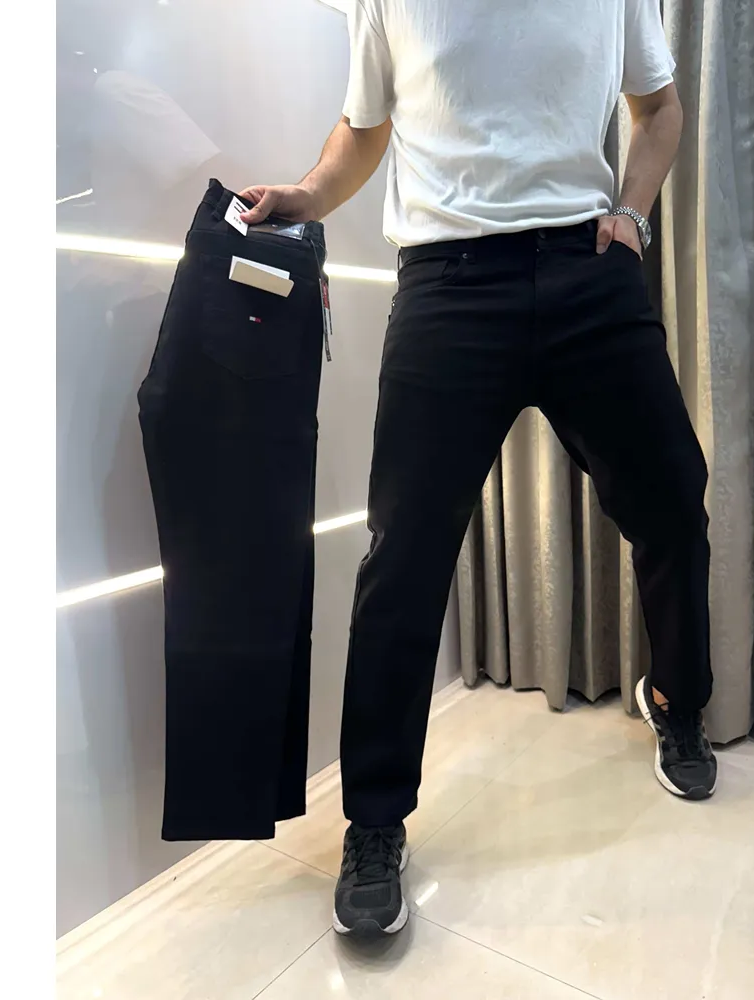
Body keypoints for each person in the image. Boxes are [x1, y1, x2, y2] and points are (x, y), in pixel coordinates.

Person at [239, 0, 717, 938]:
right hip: (448, 288)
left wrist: (630, 215)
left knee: (672, 503)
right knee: (404, 560)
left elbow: (659, 109)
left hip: (587, 269)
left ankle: (677, 701)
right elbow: (364, 127)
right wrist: (307, 197)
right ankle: (375, 821)